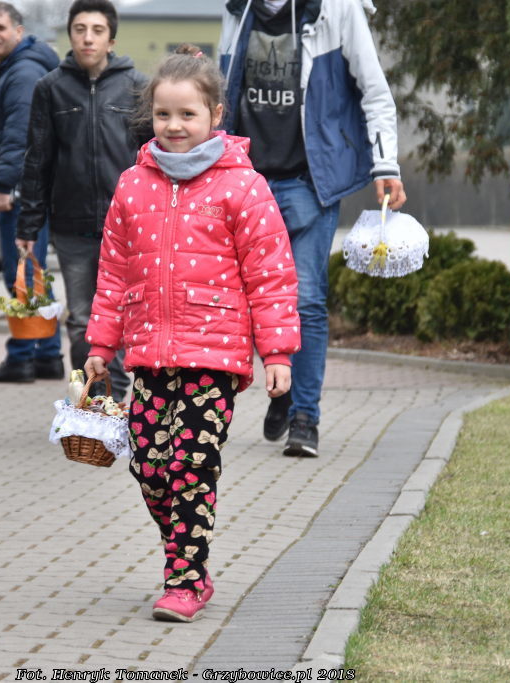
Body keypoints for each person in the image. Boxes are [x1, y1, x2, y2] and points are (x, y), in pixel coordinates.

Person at [84, 45, 300, 623]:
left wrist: (277, 352)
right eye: (163, 114)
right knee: (150, 467)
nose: (174, 126)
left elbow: (271, 274)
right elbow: (113, 271)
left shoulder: (243, 187)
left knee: (190, 466)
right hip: (149, 353)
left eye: (187, 114)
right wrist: (102, 344)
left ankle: (185, 578)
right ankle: (187, 555)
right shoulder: (133, 185)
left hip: (215, 355)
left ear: (215, 115)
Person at [219, 0, 408, 457]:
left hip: (309, 180)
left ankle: (305, 416)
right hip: (247, 180)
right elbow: (223, 89)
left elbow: (374, 90)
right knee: (250, 301)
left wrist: (386, 163)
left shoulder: (336, 10)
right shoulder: (238, 9)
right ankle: (282, 387)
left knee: (305, 299)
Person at [16, 0, 147, 399]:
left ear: (111, 40)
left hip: (127, 226)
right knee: (81, 320)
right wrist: (29, 225)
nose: (88, 38)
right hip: (71, 225)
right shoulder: (51, 88)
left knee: (124, 316)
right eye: (80, 29)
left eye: (97, 30)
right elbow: (38, 159)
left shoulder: (137, 86)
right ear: (70, 35)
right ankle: (92, 399)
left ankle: (117, 398)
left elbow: (150, 156)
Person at [0, 2, 64, 383]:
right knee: (34, 274)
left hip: (19, 192)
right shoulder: (18, 67)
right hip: (28, 190)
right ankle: (47, 355)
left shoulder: (23, 72)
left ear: (19, 31)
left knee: (21, 276)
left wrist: (3, 186)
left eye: (0, 27)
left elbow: (19, 135)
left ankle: (21, 357)